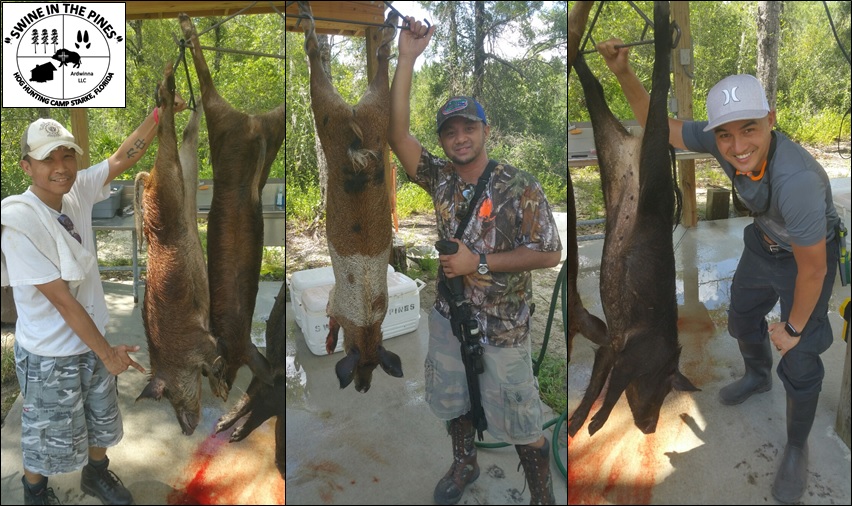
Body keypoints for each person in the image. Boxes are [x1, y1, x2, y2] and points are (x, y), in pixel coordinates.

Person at [594, 38, 842, 504]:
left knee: (803, 356)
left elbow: (814, 270)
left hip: (806, 260)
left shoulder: (799, 181)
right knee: (744, 317)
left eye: (749, 129)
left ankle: (795, 446)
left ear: (770, 120)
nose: (737, 146)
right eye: (725, 135)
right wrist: (624, 72)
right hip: (763, 244)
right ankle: (756, 374)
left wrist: (791, 327)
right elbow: (661, 128)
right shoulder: (720, 137)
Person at [389, 17, 563, 506]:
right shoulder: (441, 178)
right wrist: (406, 58)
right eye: (450, 131)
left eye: (469, 127)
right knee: (455, 401)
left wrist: (478, 264)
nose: (459, 137)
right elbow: (397, 132)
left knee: (524, 420)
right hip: (450, 318)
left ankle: (542, 495)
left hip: (504, 325)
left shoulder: (520, 184)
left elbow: (551, 252)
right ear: (443, 140)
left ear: (487, 130)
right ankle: (464, 462)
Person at [0, 96, 187, 506]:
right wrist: (107, 354)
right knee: (46, 431)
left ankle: (96, 476)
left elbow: (123, 156)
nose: (61, 166)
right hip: (50, 353)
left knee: (102, 418)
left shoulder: (77, 190)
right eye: (48, 158)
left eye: (68, 156)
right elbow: (63, 302)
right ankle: (35, 491)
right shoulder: (19, 222)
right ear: (27, 166)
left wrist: (159, 113)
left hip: (93, 337)